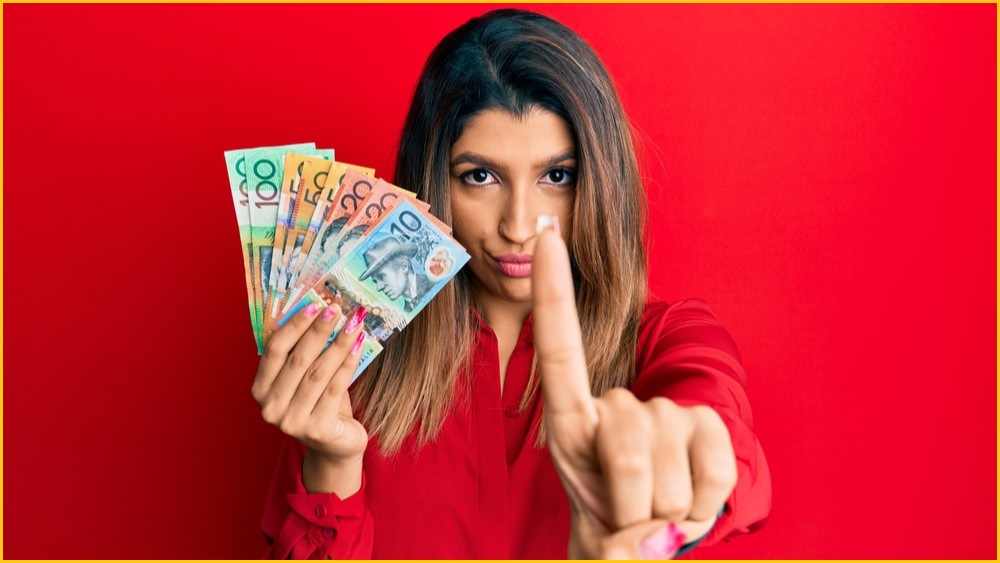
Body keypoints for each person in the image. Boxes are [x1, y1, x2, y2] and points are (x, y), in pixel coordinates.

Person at [252, 9, 771, 559]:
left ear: (600, 182)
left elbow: (718, 421)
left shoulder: (667, 339)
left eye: (557, 176)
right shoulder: (351, 363)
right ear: (434, 182)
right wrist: (332, 460)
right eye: (480, 176)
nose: (519, 225)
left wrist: (682, 469)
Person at [358, 237, 433, 312]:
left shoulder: (434, 286)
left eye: (381, 277)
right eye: (375, 281)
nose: (379, 288)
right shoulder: (406, 312)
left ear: (404, 266)